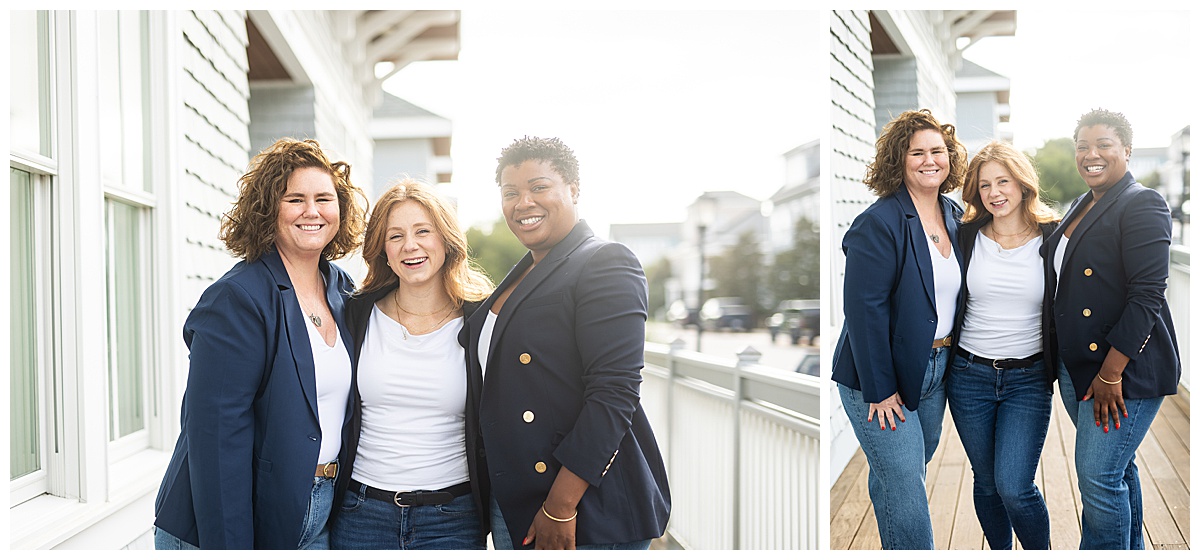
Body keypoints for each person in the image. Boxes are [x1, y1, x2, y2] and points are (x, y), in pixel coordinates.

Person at [153, 138, 367, 549]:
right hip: (227, 522)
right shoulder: (237, 298)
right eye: (295, 199)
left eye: (324, 199)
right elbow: (216, 440)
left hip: (315, 510)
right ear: (268, 209)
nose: (312, 211)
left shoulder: (341, 289)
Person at [460, 136, 670, 550]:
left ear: (573, 189)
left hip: (583, 507)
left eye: (538, 187)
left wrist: (561, 505)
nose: (523, 203)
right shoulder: (524, 271)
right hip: (517, 498)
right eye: (510, 193)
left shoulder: (605, 261)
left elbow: (615, 392)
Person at [329, 179, 494, 549]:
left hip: (452, 519)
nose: (410, 245)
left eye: (423, 231)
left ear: (446, 241)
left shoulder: (481, 320)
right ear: (383, 250)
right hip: (361, 515)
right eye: (396, 236)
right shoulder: (355, 314)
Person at [831, 109, 967, 549]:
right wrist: (881, 388)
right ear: (898, 160)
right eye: (917, 153)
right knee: (906, 480)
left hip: (936, 366)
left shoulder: (954, 215)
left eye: (937, 151)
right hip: (879, 374)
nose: (930, 160)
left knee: (904, 470)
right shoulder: (878, 223)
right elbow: (863, 312)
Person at [1046, 109, 1180, 550]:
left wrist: (1111, 373)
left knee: (1098, 477)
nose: (1092, 155)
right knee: (1117, 471)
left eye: (1104, 145)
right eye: (1082, 147)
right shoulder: (1082, 202)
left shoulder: (1142, 203)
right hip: (1079, 366)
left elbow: (1148, 295)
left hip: (1122, 370)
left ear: (1127, 150)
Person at [946, 141, 1059, 549]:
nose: (994, 193)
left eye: (1003, 182)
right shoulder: (964, 237)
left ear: (1023, 183)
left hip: (1028, 379)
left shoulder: (1052, 237)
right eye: (984, 185)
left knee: (1014, 485)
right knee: (987, 482)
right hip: (968, 376)